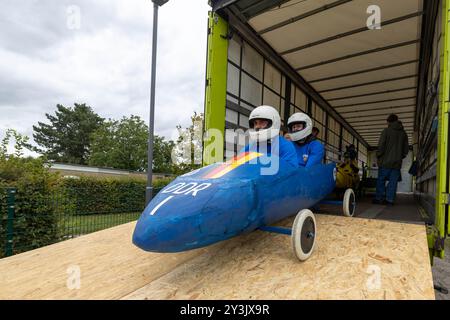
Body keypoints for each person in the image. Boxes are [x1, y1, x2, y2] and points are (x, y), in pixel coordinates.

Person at [373, 114, 409, 205]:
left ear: (389, 121)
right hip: (397, 164)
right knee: (393, 182)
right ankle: (389, 200)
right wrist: (399, 157)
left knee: (381, 180)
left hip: (385, 162)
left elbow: (381, 146)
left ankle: (379, 198)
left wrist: (378, 155)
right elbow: (405, 150)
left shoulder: (386, 131)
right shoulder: (404, 134)